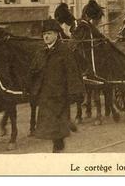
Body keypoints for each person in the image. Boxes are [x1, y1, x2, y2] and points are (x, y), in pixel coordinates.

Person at [28, 19, 85, 153]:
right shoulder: (41, 52)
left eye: (48, 34)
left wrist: (75, 92)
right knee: (49, 123)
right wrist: (30, 87)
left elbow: (72, 72)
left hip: (60, 93)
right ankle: (66, 125)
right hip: (45, 93)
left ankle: (58, 146)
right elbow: (33, 70)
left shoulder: (64, 51)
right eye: (44, 34)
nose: (46, 37)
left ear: (56, 34)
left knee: (56, 125)